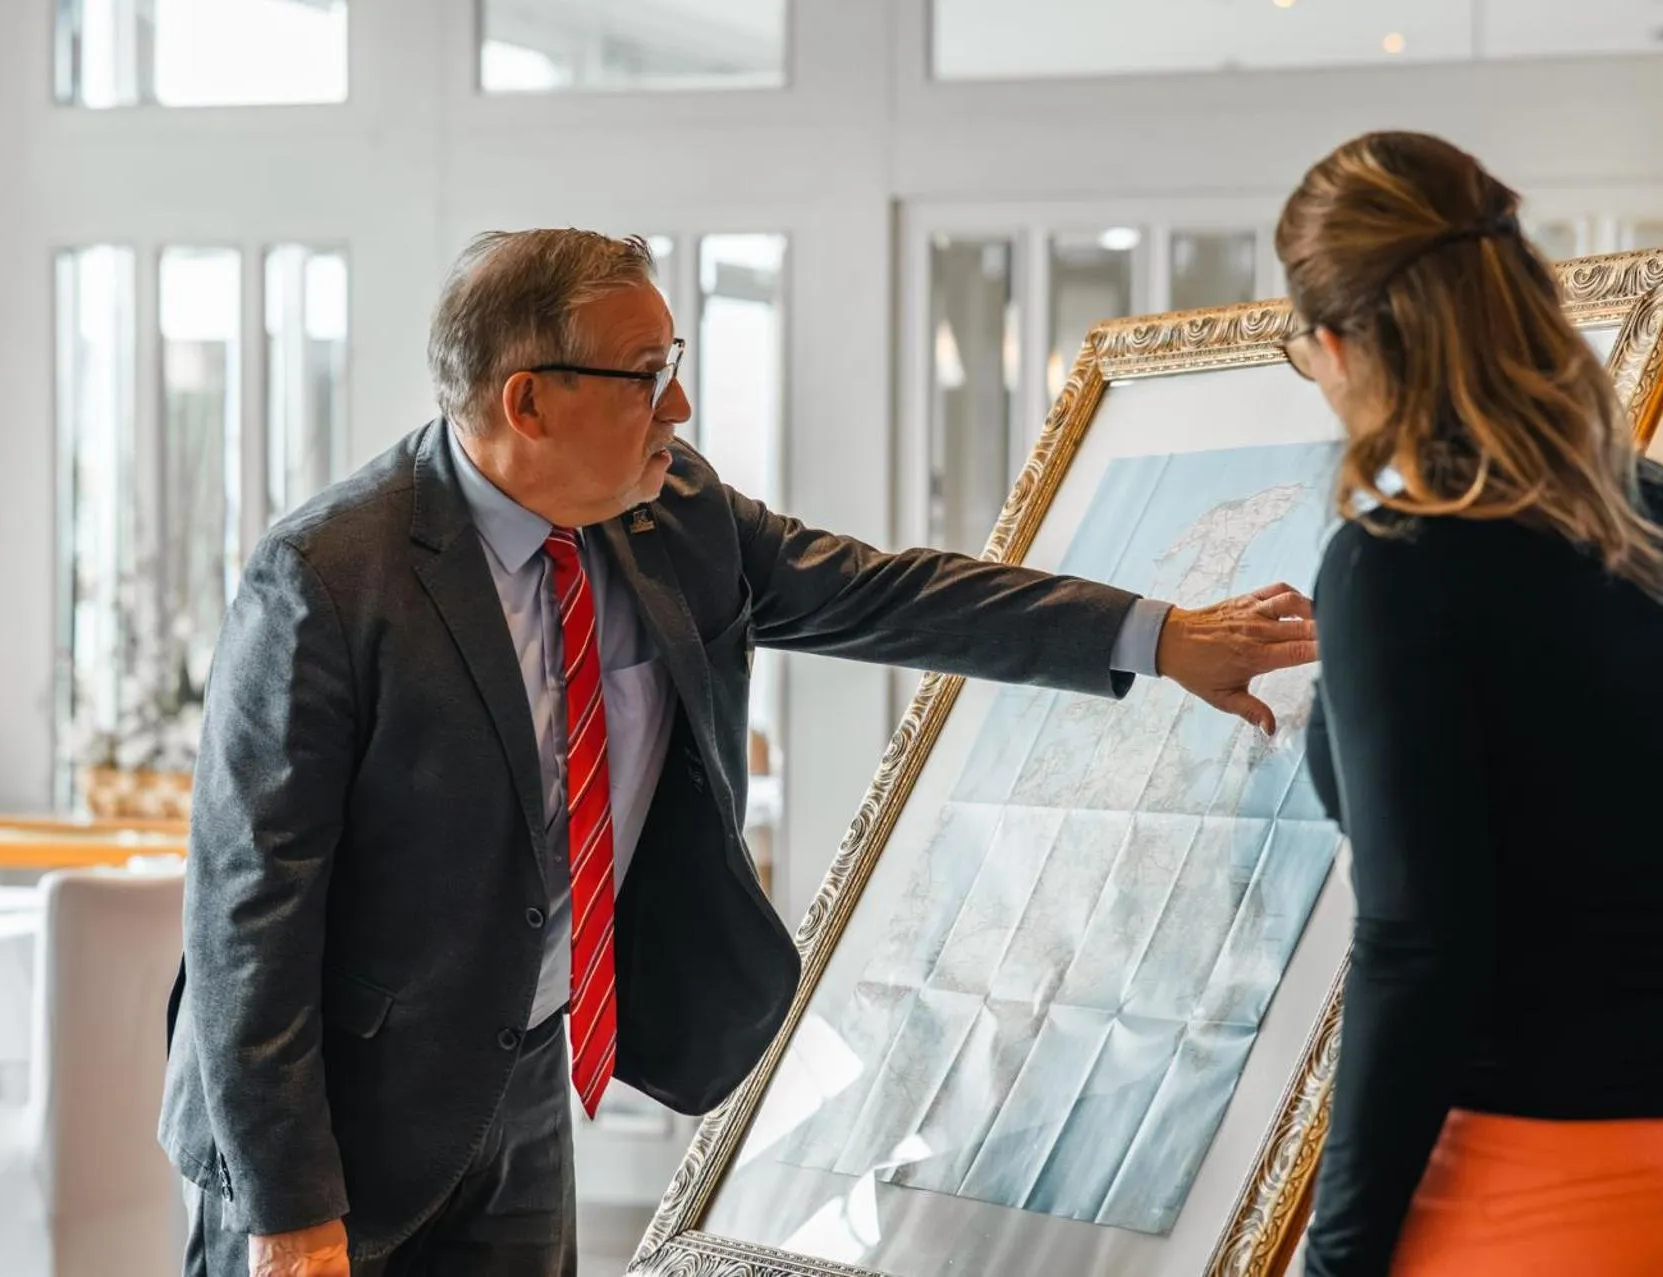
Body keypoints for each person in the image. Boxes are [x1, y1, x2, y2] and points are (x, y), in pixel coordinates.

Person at [159, 228, 1317, 1277]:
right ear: (528, 401)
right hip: (331, 1117)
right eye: (646, 373)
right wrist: (291, 1211)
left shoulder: (672, 512)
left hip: (523, 1085)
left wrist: (1156, 636)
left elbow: (883, 594)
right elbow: (247, 915)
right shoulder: (328, 577)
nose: (680, 405)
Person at [1284, 132, 1663, 1276]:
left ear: (1337, 346)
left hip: (1537, 1188)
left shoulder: (1392, 561)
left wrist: (1335, 1256)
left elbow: (1415, 941)